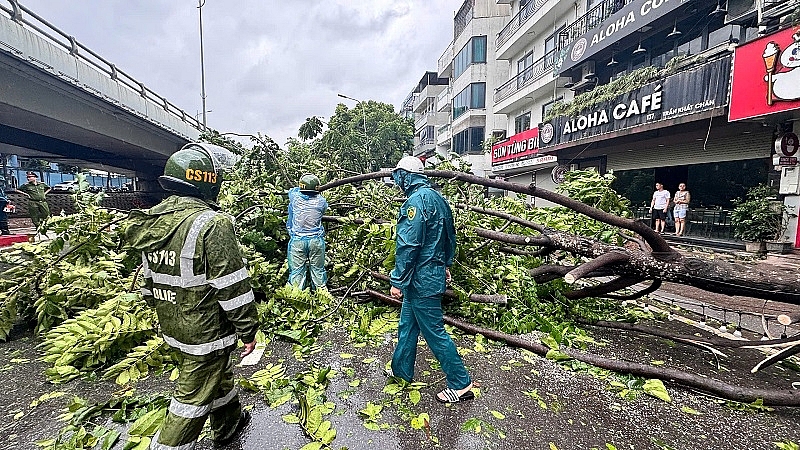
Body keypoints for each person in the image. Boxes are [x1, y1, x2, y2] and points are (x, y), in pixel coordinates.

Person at [123, 143, 258, 449]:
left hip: (173, 324)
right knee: (191, 400)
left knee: (218, 375)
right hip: (205, 330)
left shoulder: (154, 221)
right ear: (207, 181)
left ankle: (229, 422)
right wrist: (248, 330)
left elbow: (147, 283)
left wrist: (171, 309)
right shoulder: (212, 223)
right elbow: (232, 286)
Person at [388, 156, 473, 404]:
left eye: (398, 176)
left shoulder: (415, 202)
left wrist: (398, 280)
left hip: (420, 280)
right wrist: (446, 264)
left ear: (405, 175)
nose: (397, 181)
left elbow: (408, 245)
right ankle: (400, 370)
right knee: (407, 326)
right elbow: (450, 236)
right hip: (431, 274)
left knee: (434, 332)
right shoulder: (439, 200)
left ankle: (460, 383)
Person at [286, 174, 329, 290]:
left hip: (298, 242)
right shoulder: (321, 202)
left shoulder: (295, 198)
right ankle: (322, 296)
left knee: (297, 271)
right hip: (316, 241)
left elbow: (292, 192)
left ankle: (296, 297)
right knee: (318, 270)